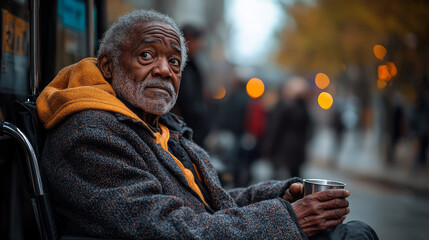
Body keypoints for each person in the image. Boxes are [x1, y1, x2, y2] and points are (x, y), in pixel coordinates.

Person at [36, 9, 378, 239]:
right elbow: (171, 228)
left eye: (174, 61)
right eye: (146, 55)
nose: (164, 70)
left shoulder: (159, 127)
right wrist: (289, 220)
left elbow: (209, 202)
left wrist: (279, 195)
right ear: (108, 67)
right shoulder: (89, 134)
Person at [262, 77, 312, 179]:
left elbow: (275, 129)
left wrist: (268, 146)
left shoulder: (283, 106)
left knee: (276, 181)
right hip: (297, 150)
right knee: (296, 179)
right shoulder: (305, 109)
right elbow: (309, 131)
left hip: (281, 149)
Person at [172, 24, 210, 147]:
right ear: (187, 40)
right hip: (184, 129)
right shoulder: (180, 65)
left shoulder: (192, 65)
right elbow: (186, 99)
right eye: (197, 40)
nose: (200, 44)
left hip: (193, 130)